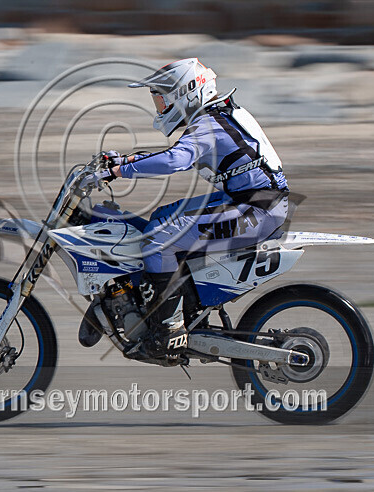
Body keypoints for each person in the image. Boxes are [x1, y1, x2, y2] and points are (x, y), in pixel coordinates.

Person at [80, 58, 290, 360]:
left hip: (259, 209)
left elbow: (174, 160)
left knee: (159, 238)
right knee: (161, 218)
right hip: (252, 200)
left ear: (186, 93)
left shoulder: (208, 123)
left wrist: (120, 172)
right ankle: (161, 301)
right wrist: (124, 161)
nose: (160, 106)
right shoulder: (213, 116)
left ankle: (170, 328)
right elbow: (173, 154)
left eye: (162, 98)